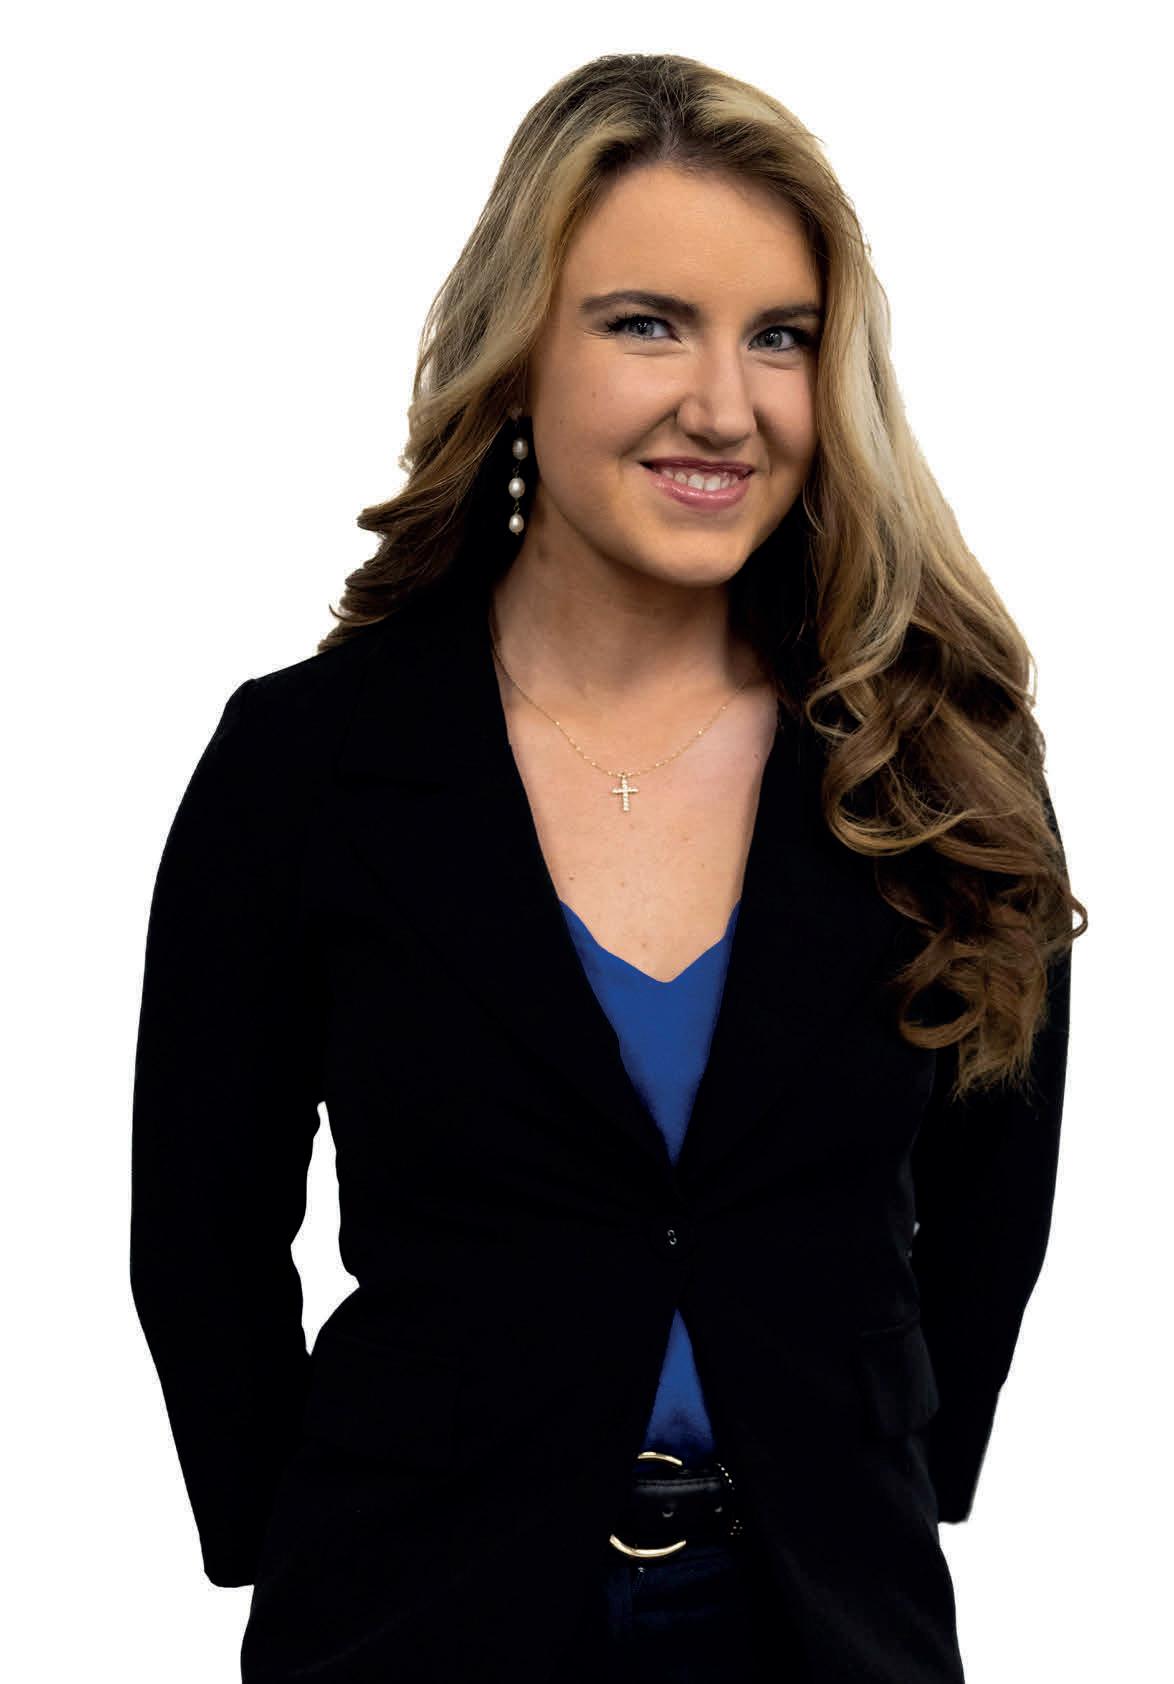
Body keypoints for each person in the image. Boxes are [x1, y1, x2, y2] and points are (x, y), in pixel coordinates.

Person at [129, 50, 1086, 1684]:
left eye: (779, 336)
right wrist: (304, 1538)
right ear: (516, 355)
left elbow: (992, 1212)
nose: (724, 404)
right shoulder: (308, 759)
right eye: (647, 323)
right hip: (416, 1617)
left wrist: (876, 1494)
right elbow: (198, 1224)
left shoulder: (932, 757)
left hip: (824, 1621)